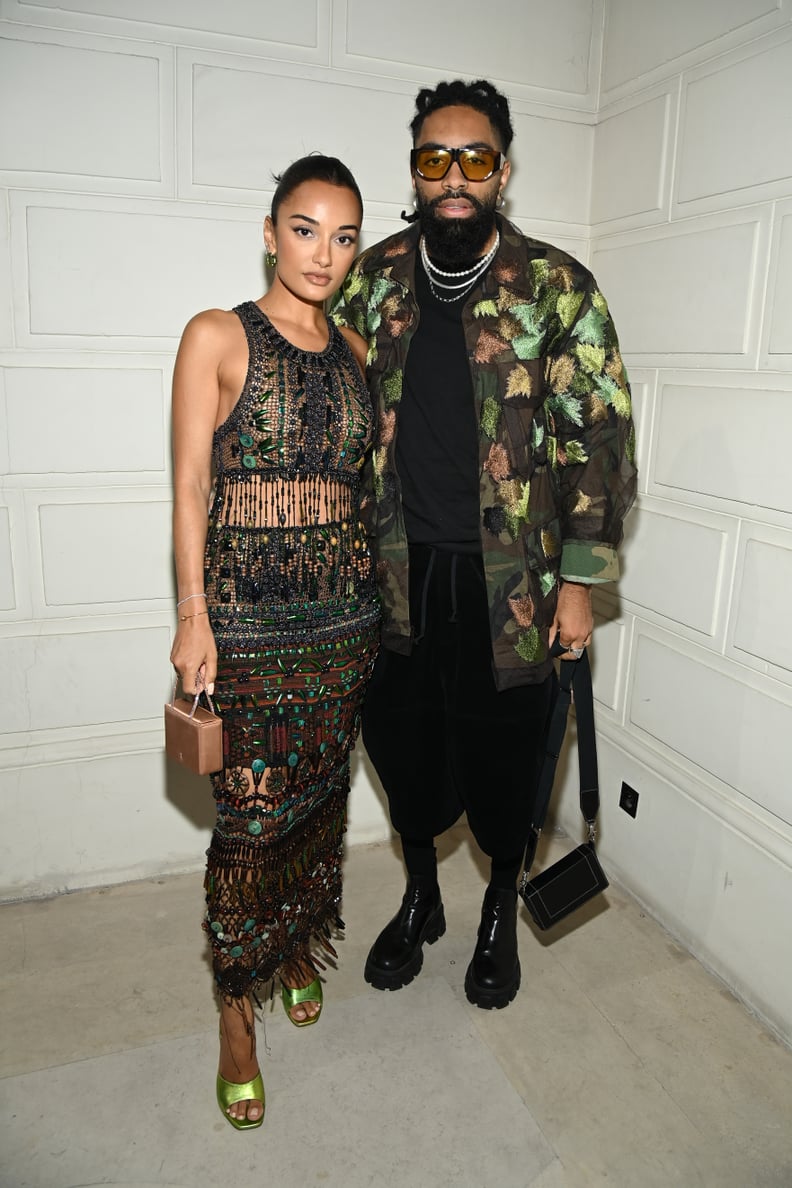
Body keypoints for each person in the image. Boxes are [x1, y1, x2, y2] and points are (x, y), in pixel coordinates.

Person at [331, 79, 636, 1011]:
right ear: (415, 172)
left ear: (502, 171)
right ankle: (422, 894)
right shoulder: (371, 279)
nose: (454, 176)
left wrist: (580, 585)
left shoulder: (557, 287)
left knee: (509, 762)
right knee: (402, 747)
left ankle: (499, 906)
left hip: (516, 586)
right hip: (390, 578)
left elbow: (600, 434)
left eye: (475, 158)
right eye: (435, 159)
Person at [170, 155, 379, 1129]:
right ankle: (234, 1015)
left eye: (343, 237)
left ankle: (298, 945)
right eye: (305, 229)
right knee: (249, 831)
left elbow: (360, 495)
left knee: (317, 809)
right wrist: (191, 616)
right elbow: (189, 490)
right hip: (247, 634)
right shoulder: (217, 335)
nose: (324, 254)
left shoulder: (356, 356)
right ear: (269, 231)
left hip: (341, 629)